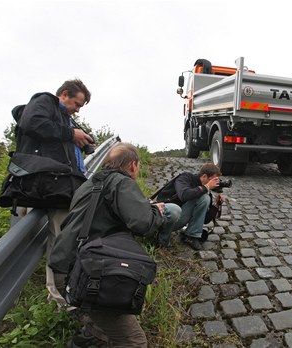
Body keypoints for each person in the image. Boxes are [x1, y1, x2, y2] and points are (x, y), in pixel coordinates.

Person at [49, 143, 181, 347]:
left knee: (103, 325)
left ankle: (89, 337)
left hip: (64, 268)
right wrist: (157, 212)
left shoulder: (90, 183)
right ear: (133, 165)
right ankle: (91, 336)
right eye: (138, 167)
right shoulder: (121, 182)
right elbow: (143, 224)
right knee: (134, 341)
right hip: (84, 274)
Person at [16, 79, 94, 306]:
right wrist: (71, 134)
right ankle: (58, 297)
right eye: (77, 104)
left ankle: (61, 290)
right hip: (50, 185)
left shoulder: (63, 118)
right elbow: (31, 123)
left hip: (59, 185)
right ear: (64, 94)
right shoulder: (44, 101)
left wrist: (81, 140)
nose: (78, 110)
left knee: (62, 237)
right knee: (59, 239)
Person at [158, 163, 222, 250]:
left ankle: (191, 236)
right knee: (204, 197)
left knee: (205, 197)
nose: (214, 184)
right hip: (163, 219)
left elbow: (205, 219)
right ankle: (166, 237)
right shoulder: (185, 178)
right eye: (212, 180)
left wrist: (216, 205)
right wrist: (206, 187)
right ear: (204, 176)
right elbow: (184, 195)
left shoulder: (206, 191)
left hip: (177, 220)